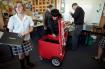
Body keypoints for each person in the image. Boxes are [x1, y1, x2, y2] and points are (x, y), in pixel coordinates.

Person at [7, 1, 34, 69]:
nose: (18, 8)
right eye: (16, 7)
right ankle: (22, 66)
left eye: (20, 6)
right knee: (21, 54)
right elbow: (10, 31)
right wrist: (11, 40)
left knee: (27, 53)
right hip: (17, 40)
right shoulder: (12, 18)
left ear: (23, 7)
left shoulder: (28, 17)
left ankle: (28, 62)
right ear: (15, 9)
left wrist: (25, 32)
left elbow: (31, 28)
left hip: (26, 39)